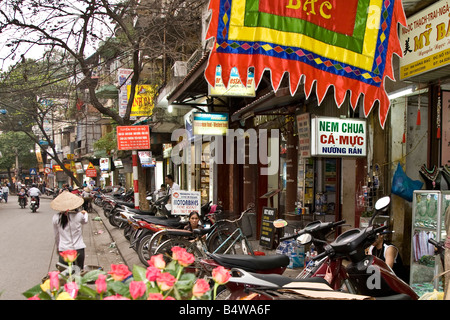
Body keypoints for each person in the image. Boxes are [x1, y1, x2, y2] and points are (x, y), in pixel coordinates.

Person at [51, 191, 87, 270]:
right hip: (78, 250)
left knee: (65, 276)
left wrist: (58, 247)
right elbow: (85, 221)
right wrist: (85, 213)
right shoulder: (79, 215)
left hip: (64, 250)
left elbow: (56, 235)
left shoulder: (56, 217)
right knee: (79, 275)